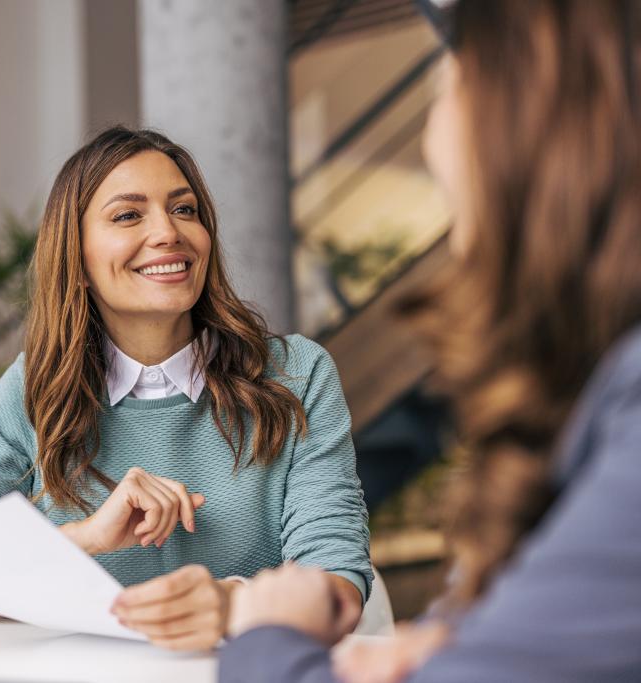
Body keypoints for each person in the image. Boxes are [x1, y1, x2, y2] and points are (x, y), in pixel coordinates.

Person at [220, 0, 641, 680]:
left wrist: (267, 636)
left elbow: (330, 553)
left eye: (446, 82)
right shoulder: (39, 387)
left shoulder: (297, 367)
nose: (429, 140)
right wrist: (463, 637)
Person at [0, 126, 372, 650]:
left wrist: (234, 607)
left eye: (185, 210)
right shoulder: (36, 389)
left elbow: (338, 580)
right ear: (79, 260)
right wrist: (82, 539)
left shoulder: (296, 373)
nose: (168, 232)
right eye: (128, 215)